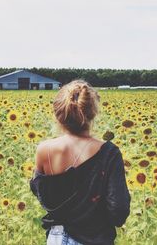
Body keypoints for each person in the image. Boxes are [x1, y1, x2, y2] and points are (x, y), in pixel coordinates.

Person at [29, 79, 131, 245]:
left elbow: (43, 196)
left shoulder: (44, 150)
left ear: (58, 114)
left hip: (57, 238)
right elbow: (118, 211)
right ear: (93, 112)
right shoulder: (109, 153)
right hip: (96, 238)